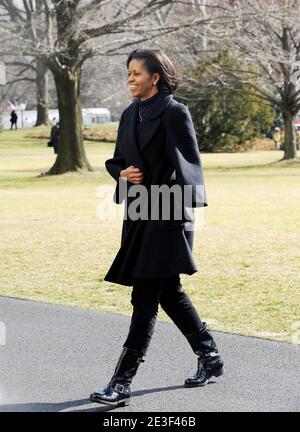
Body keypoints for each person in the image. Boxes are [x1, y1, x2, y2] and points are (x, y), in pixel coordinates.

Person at [89, 49, 224, 408]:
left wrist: (177, 216)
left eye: (137, 73)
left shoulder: (175, 112)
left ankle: (121, 383)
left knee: (145, 296)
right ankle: (210, 357)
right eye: (128, 73)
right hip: (138, 213)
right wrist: (122, 174)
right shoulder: (129, 114)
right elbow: (119, 160)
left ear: (156, 77)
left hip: (166, 214)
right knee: (168, 292)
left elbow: (189, 165)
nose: (131, 78)